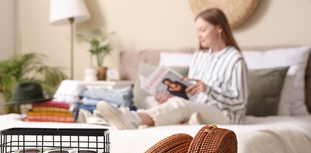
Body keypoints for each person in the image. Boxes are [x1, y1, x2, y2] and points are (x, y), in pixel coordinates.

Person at [96, 8, 249, 129]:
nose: (198, 36)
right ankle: (191, 120)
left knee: (181, 106)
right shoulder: (199, 57)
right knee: (152, 100)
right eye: (197, 31)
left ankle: (132, 118)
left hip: (226, 115)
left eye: (203, 30)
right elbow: (191, 97)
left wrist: (208, 89)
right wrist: (169, 97)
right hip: (197, 107)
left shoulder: (235, 59)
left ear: (219, 28)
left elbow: (240, 103)